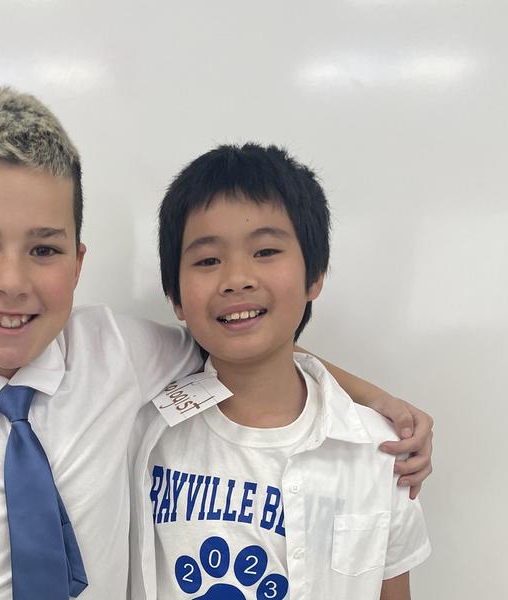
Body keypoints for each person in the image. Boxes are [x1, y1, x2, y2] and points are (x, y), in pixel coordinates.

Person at [0, 86, 433, 599]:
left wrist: (377, 400)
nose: (10, 281)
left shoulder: (117, 352)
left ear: (78, 260)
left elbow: (248, 342)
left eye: (44, 249)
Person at [128, 144, 430, 600]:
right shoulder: (140, 431)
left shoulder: (379, 451)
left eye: (266, 251)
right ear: (175, 296)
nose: (237, 278)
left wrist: (376, 403)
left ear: (315, 276)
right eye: (208, 260)